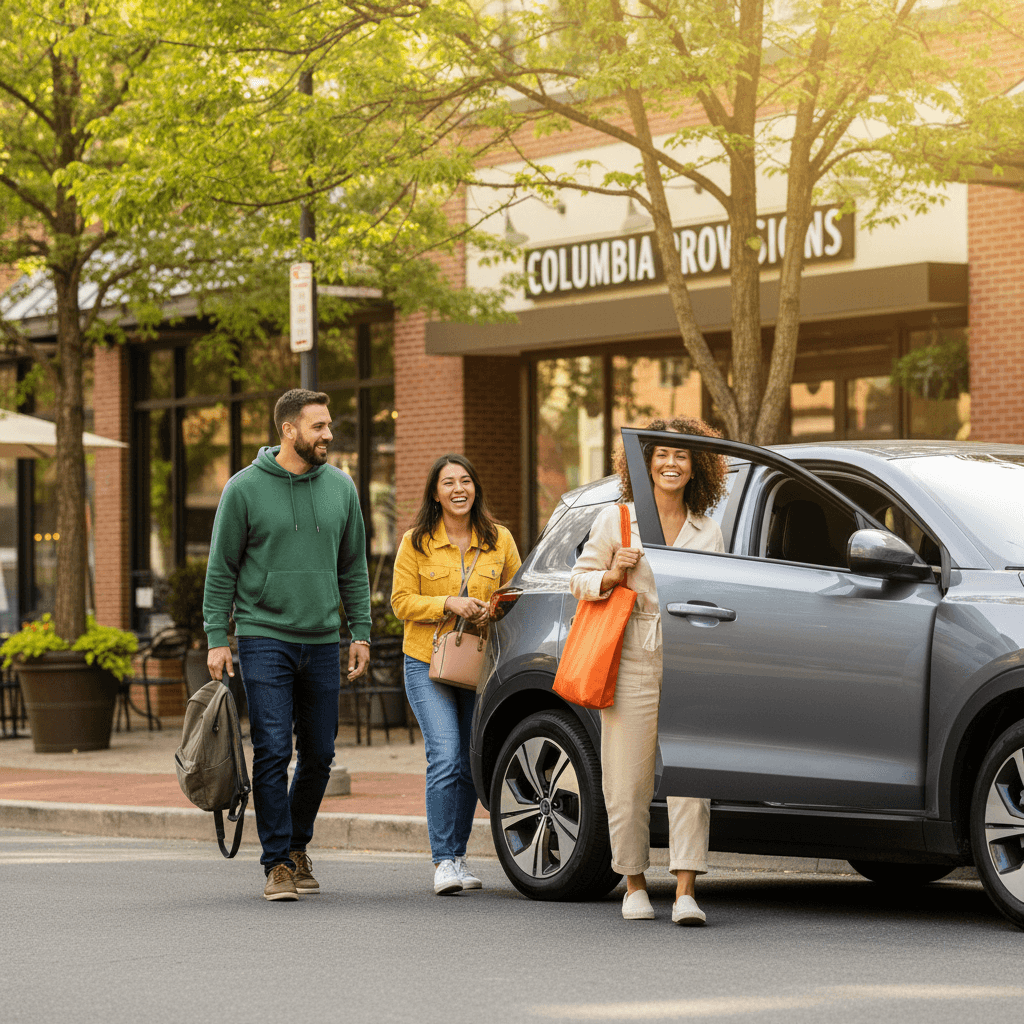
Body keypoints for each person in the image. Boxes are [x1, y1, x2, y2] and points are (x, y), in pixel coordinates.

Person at [203, 388, 371, 901]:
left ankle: (298, 847)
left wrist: (359, 630)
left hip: (322, 638)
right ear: (288, 430)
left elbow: (354, 567)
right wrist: (217, 637)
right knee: (273, 750)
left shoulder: (341, 488)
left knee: (319, 754)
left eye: (328, 425)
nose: (328, 435)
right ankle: (276, 861)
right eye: (318, 426)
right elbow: (221, 569)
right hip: (264, 635)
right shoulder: (244, 489)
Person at [570, 416, 727, 925]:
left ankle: (685, 890)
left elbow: (720, 596)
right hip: (632, 645)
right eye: (661, 454)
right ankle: (633, 883)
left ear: (696, 465)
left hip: (691, 655)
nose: (670, 463)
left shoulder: (709, 529)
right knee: (627, 775)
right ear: (644, 462)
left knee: (690, 774)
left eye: (681, 455)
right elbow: (579, 579)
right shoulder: (617, 520)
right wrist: (613, 573)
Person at [391, 454, 521, 895]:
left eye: (465, 480)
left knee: (468, 760)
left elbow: (516, 594)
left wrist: (493, 608)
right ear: (435, 493)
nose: (458, 489)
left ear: (475, 489)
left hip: (476, 664)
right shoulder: (416, 542)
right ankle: (443, 861)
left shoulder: (498, 539)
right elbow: (401, 602)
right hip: (426, 661)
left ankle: (460, 856)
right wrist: (448, 602)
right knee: (445, 754)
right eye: (448, 483)